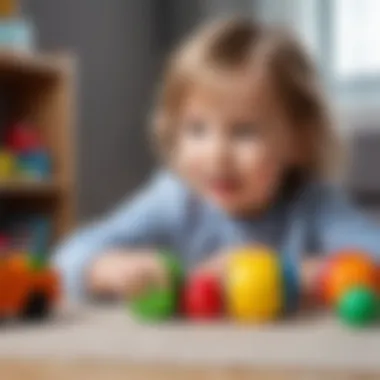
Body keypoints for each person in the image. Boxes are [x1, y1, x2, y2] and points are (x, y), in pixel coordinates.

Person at [53, 17, 380, 302]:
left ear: (298, 141)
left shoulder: (313, 204)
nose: (217, 154)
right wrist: (108, 270)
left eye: (244, 132)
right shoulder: (176, 200)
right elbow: (66, 258)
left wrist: (286, 275)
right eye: (197, 129)